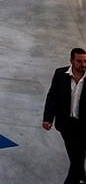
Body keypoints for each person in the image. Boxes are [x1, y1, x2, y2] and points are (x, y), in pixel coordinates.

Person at [43, 47, 86, 184]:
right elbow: (52, 97)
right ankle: (81, 178)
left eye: (85, 61)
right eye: (79, 61)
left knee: (78, 156)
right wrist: (48, 118)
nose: (83, 64)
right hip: (66, 124)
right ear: (71, 61)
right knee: (76, 156)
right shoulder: (60, 74)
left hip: (83, 125)